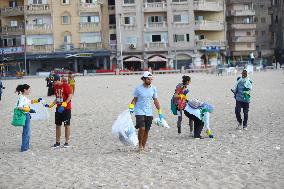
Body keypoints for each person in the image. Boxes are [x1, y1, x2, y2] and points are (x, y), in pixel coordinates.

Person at [129, 71, 164, 152]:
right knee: (142, 128)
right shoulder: (138, 88)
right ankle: (140, 145)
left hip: (149, 112)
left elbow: (155, 100)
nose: (150, 81)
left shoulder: (154, 88)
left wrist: (160, 112)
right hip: (139, 111)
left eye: (151, 79)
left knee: (147, 130)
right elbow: (134, 100)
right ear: (144, 79)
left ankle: (143, 146)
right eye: (148, 79)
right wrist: (131, 108)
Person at [45, 74, 72, 148]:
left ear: (57, 80)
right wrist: (51, 105)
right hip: (58, 109)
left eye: (53, 82)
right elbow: (57, 98)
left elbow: (70, 96)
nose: (52, 83)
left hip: (66, 109)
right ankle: (57, 142)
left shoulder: (65, 85)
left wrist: (64, 104)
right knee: (57, 125)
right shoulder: (55, 87)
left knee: (66, 125)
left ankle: (66, 142)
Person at [15, 84, 42, 152]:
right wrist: (29, 110)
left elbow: (30, 102)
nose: (30, 91)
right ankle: (24, 147)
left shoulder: (24, 97)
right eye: (29, 89)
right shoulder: (22, 97)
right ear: (25, 90)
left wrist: (37, 100)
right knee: (26, 131)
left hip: (27, 115)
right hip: (25, 115)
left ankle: (26, 146)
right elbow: (19, 107)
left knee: (27, 131)